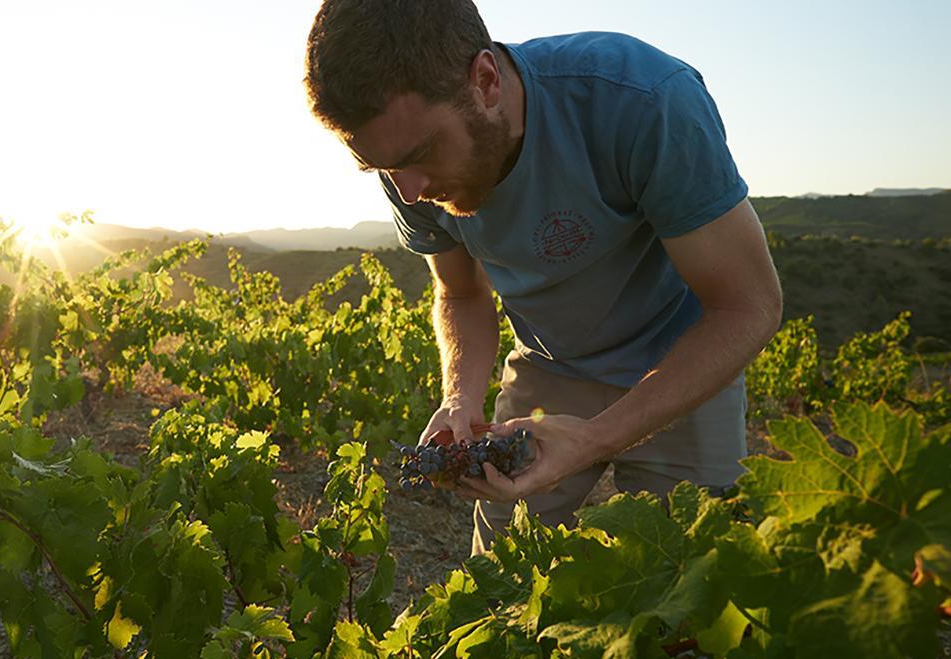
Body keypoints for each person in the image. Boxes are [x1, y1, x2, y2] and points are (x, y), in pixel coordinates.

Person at [303, 0, 782, 555]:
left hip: (683, 364)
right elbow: (461, 292)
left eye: (420, 155)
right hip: (548, 368)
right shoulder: (407, 167)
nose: (408, 191)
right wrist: (460, 397)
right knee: (499, 590)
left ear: (484, 81)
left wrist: (595, 437)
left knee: (684, 594)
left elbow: (748, 307)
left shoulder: (643, 99)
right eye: (382, 169)